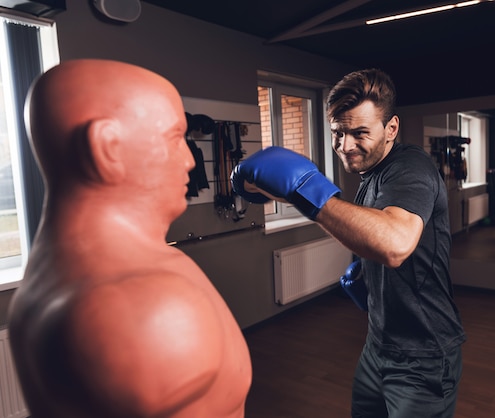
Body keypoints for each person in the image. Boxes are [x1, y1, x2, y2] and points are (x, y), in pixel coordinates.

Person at [8, 59, 252, 418]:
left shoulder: (43, 284)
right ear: (108, 149)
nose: (189, 160)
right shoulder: (143, 307)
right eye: (174, 139)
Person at [231, 68, 466, 418]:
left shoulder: (411, 167)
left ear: (392, 129)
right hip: (377, 344)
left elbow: (395, 244)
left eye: (359, 133)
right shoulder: (372, 175)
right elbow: (370, 229)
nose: (345, 146)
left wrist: (306, 190)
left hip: (423, 353)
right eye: (338, 133)